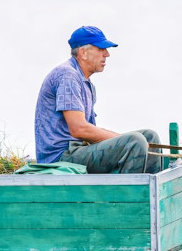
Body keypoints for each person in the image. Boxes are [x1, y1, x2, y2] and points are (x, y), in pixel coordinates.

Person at [34, 25, 161, 174]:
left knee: (149, 137)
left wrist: (122, 139)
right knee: (136, 141)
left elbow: (89, 131)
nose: (107, 54)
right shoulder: (67, 75)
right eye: (101, 49)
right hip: (60, 158)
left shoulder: (87, 84)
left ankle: (151, 194)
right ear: (83, 52)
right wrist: (125, 140)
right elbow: (79, 129)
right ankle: (126, 197)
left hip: (78, 150)